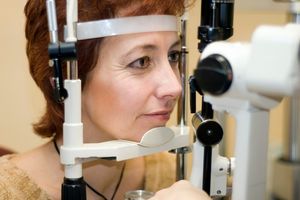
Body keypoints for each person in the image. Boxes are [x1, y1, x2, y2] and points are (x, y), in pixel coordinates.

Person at [0, 0, 211, 200]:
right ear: (66, 75)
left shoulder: (167, 172)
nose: (174, 87)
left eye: (173, 56)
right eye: (142, 61)